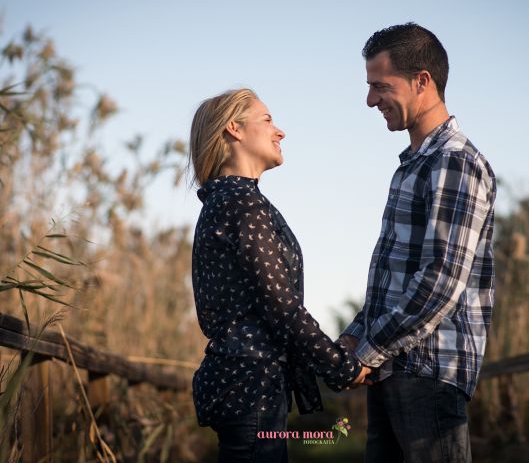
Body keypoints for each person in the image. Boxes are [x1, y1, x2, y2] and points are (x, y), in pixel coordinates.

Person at [338, 23, 497, 463]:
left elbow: (442, 279)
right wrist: (354, 338)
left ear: (422, 81)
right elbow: (398, 277)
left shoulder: (453, 162)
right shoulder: (414, 165)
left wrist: (369, 349)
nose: (371, 100)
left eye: (380, 87)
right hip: (395, 368)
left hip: (427, 372)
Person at [189, 88, 372, 463]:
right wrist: (342, 366)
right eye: (268, 120)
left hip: (239, 382)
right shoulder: (242, 204)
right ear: (234, 129)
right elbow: (282, 307)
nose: (280, 131)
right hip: (251, 384)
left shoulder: (225, 201)